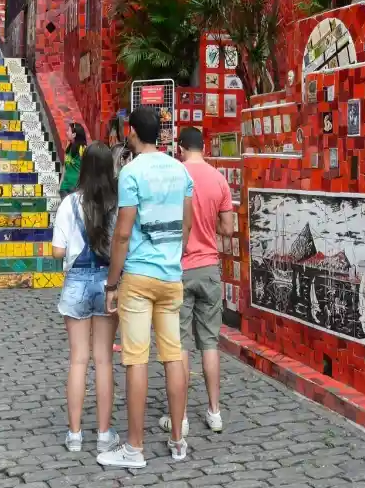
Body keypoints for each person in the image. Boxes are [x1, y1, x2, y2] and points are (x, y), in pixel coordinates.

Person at [98, 107, 194, 469]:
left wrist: (112, 283)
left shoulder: (131, 172)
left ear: (132, 132)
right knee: (173, 355)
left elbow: (123, 233)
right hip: (171, 275)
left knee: (136, 359)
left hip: (138, 276)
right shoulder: (180, 170)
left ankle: (135, 447)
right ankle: (178, 440)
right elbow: (186, 225)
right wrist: (174, 256)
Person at [52, 142, 121, 455]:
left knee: (78, 359)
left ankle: (75, 433)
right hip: (107, 282)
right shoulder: (115, 203)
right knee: (104, 360)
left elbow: (57, 251)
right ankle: (104, 433)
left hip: (77, 283)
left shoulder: (69, 204)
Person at [168, 127, 234, 434]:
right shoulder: (219, 179)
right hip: (209, 268)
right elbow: (228, 230)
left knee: (179, 344)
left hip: (179, 269)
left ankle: (180, 417)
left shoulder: (175, 176)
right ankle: (214, 411)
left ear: (181, 148)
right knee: (209, 342)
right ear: (204, 146)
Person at [60, 123, 88, 198]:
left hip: (76, 188)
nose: (66, 133)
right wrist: (60, 184)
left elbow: (87, 169)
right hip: (64, 187)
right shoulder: (68, 147)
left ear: (74, 134)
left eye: (68, 131)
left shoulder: (83, 148)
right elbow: (65, 167)